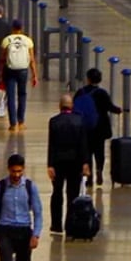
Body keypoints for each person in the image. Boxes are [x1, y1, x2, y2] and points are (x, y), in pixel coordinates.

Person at [46, 92, 91, 228]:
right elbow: (83, 144)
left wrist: (50, 165)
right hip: (75, 162)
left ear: (60, 106)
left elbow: (51, 144)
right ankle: (70, 223)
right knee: (73, 194)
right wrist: (85, 162)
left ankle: (56, 224)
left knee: (57, 193)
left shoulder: (54, 121)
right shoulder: (80, 121)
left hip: (58, 162)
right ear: (72, 106)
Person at [73, 67, 119, 186]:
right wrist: (119, 110)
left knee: (87, 153)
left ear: (87, 79)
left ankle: (89, 177)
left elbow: (74, 107)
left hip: (85, 128)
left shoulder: (80, 92)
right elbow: (110, 107)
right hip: (100, 128)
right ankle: (99, 170)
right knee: (99, 152)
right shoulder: (102, 93)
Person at [0, 20, 35, 129]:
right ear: (21, 28)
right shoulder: (28, 41)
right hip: (23, 70)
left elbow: (3, 58)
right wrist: (35, 74)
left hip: (10, 69)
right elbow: (32, 59)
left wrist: (0, 73)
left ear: (12, 28)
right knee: (22, 94)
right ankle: (21, 121)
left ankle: (12, 123)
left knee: (11, 96)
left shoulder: (7, 40)